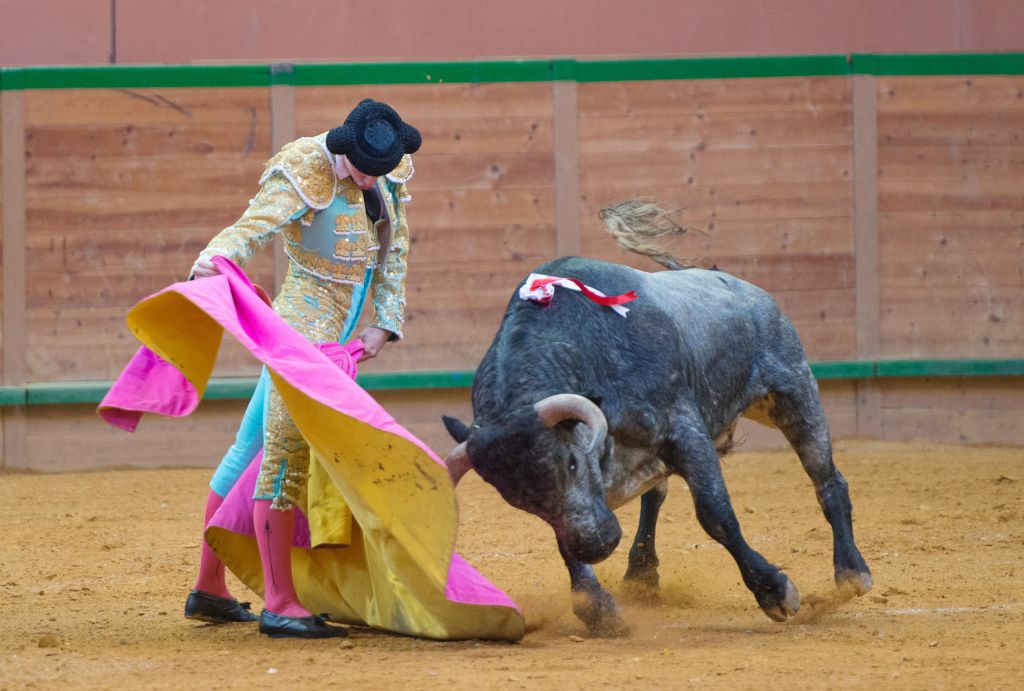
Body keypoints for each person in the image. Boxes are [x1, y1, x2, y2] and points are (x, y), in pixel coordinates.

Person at [182, 98, 421, 638]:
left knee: (249, 447)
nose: (369, 180)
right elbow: (253, 226)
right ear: (343, 149)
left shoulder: (387, 168)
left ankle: (209, 588)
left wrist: (383, 321)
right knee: (284, 456)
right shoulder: (305, 166)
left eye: (377, 172)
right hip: (300, 330)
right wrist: (211, 260)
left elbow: (395, 248)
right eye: (362, 170)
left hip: (343, 328)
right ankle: (279, 602)